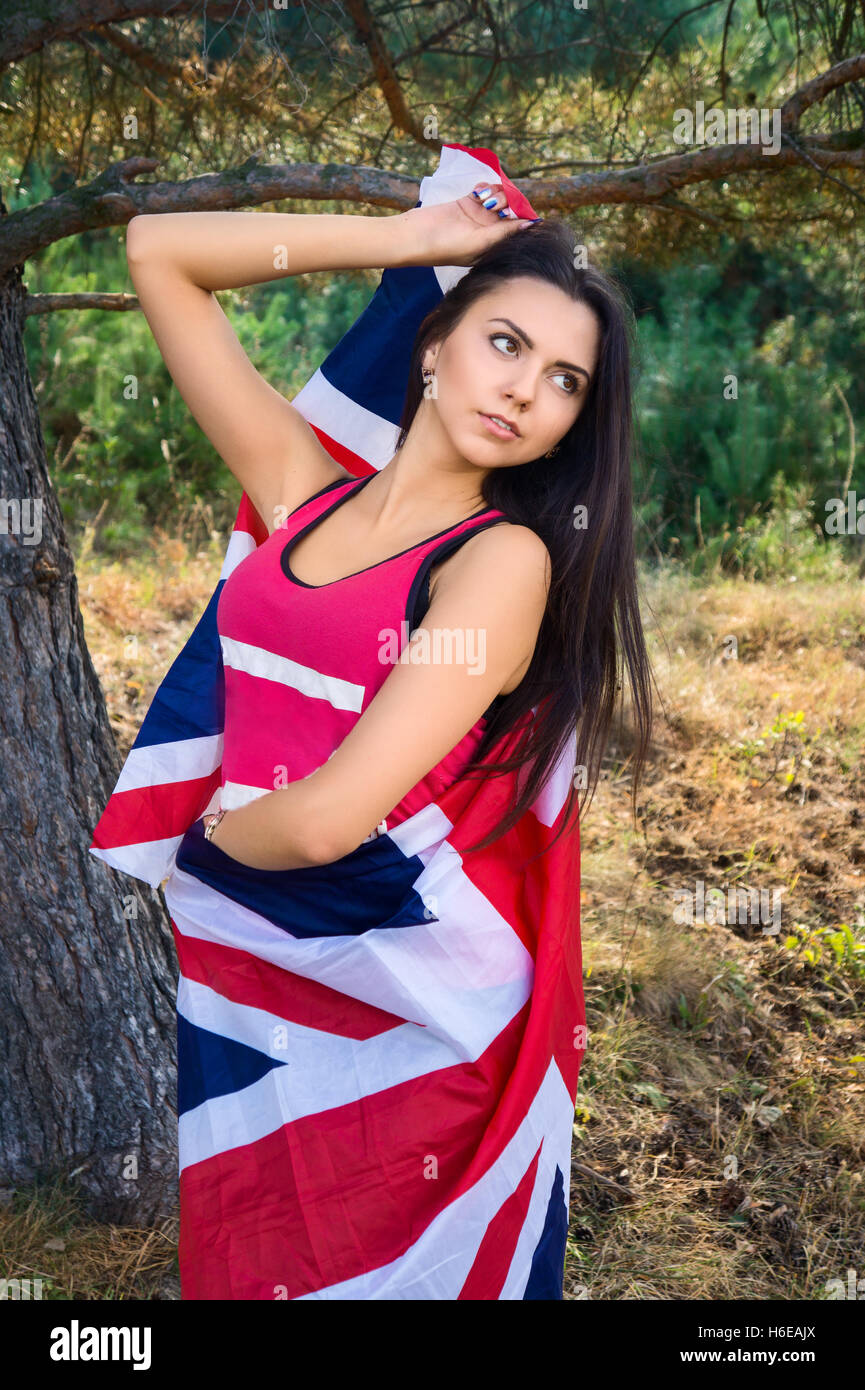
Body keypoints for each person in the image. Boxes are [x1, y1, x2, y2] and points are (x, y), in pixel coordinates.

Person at [104, 169, 653, 1299]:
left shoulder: (502, 563)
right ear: (433, 341)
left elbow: (335, 818)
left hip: (400, 999)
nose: (524, 392)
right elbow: (159, 251)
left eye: (562, 382)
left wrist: (210, 844)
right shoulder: (300, 489)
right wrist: (409, 236)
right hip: (262, 968)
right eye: (503, 343)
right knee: (261, 1248)